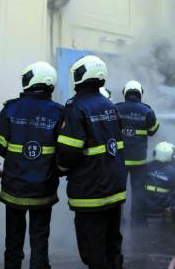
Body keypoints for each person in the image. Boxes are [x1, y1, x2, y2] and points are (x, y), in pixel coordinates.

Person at [0, 61, 64, 269]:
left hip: (15, 187)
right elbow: (66, 150)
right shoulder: (59, 112)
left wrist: (15, 157)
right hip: (44, 188)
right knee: (40, 239)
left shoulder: (11, 108)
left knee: (13, 239)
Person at [57, 55, 127, 269]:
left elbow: (69, 151)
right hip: (114, 187)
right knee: (112, 243)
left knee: (92, 248)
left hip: (90, 191)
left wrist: (60, 167)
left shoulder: (76, 108)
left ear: (79, 77)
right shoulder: (110, 105)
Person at [115, 80, 159, 223]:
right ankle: (138, 219)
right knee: (138, 189)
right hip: (139, 159)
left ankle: (118, 218)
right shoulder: (147, 110)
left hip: (120, 158)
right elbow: (153, 130)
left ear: (125, 92)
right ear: (140, 93)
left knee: (118, 189)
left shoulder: (116, 108)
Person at [135, 142, 175, 223]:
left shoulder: (146, 166)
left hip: (145, 206)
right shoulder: (172, 171)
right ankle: (171, 219)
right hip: (162, 207)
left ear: (155, 153)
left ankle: (140, 226)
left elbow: (139, 184)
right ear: (170, 155)